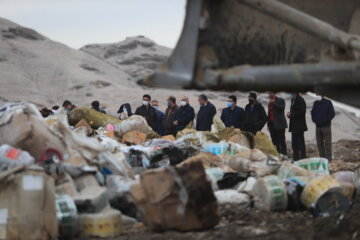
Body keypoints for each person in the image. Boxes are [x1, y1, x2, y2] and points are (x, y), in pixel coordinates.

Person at [311, 94, 335, 161]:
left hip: (326, 127)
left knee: (328, 143)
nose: (317, 95)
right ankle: (322, 159)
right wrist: (315, 120)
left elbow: (332, 113)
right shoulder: (315, 103)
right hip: (318, 127)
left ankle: (329, 159)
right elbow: (312, 113)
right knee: (319, 144)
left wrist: (325, 120)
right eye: (316, 94)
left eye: (318, 94)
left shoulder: (328, 102)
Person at [287, 93, 308, 160]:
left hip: (299, 126)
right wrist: (290, 114)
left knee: (300, 143)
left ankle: (303, 158)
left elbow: (302, 112)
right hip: (293, 125)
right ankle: (296, 158)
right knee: (294, 143)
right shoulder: (293, 99)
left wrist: (292, 114)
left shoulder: (300, 100)